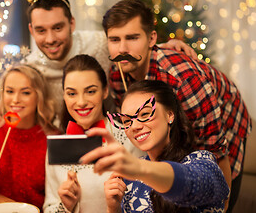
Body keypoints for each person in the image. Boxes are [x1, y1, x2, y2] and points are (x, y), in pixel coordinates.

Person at [0, 0, 195, 135]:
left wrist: (165, 44)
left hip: (115, 132)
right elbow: (14, 97)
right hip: (67, 142)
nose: (49, 39)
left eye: (57, 28)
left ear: (72, 24)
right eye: (41, 30)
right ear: (31, 31)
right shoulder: (31, 68)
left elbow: (129, 46)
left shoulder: (98, 43)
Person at [103, 0, 251, 212]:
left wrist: (222, 206)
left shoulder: (182, 79)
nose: (122, 48)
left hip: (226, 121)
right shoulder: (117, 74)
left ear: (151, 38)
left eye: (133, 38)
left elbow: (216, 151)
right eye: (114, 39)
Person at [80, 80, 230, 213]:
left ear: (170, 114)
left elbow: (195, 183)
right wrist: (113, 209)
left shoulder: (201, 161)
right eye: (127, 121)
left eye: (145, 114)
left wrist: (141, 168)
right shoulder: (130, 180)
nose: (135, 126)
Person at [43, 54, 144, 213]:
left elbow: (148, 205)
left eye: (90, 91)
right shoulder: (55, 148)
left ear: (104, 91)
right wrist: (66, 206)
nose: (81, 102)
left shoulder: (130, 140)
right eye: (71, 93)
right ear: (64, 95)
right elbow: (49, 208)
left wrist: (115, 207)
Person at [0, 64, 59, 210]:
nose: (15, 99)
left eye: (25, 93)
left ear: (39, 96)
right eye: (9, 91)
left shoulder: (53, 138)